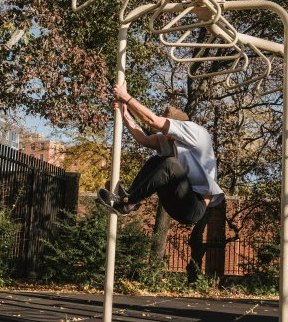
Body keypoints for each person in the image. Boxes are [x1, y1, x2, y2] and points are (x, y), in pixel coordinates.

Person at [96, 83, 224, 224]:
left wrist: (125, 97)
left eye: (166, 130)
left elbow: (152, 120)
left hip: (194, 207)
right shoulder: (170, 140)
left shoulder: (195, 131)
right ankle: (129, 196)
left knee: (170, 164)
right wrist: (125, 113)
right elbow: (143, 139)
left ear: (176, 125)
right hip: (175, 203)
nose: (164, 135)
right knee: (157, 161)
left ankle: (127, 203)